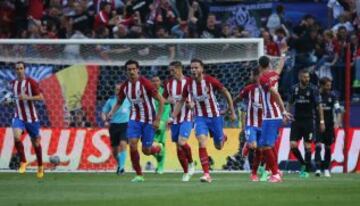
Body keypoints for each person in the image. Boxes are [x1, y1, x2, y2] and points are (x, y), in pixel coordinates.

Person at [173, 58, 236, 183]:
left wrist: (231, 110)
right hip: (199, 117)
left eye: (196, 67)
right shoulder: (189, 84)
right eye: (192, 68)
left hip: (215, 116)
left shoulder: (210, 81)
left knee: (218, 146)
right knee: (202, 141)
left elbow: (225, 92)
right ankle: (206, 174)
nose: (194, 70)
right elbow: (181, 101)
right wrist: (173, 116)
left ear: (202, 69)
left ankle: (222, 137)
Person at [107, 60, 165, 182]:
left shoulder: (146, 84)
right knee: (133, 144)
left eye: (134, 69)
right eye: (129, 69)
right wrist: (112, 112)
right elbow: (119, 102)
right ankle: (139, 175)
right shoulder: (125, 86)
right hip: (135, 119)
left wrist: (157, 119)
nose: (132, 71)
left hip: (149, 119)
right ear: (126, 71)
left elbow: (161, 101)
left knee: (146, 150)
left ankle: (158, 148)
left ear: (138, 70)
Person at [257, 56, 292, 183]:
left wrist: (284, 111)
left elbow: (275, 93)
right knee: (268, 145)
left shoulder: (263, 78)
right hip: (273, 115)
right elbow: (279, 69)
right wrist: (282, 57)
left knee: (266, 146)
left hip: (271, 115)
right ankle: (275, 171)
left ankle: (275, 174)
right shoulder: (274, 75)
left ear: (259, 65)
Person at [8, 62, 44, 178]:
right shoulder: (12, 83)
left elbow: (40, 97)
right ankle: (23, 161)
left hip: (32, 119)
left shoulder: (31, 82)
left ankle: (40, 166)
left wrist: (27, 97)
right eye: (17, 68)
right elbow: (13, 98)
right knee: (17, 137)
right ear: (15, 70)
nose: (19, 70)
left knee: (36, 143)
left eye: (21, 68)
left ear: (25, 69)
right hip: (18, 117)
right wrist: (9, 101)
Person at [288, 69, 324, 178]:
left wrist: (321, 121)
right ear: (300, 77)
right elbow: (289, 103)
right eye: (304, 77)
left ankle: (305, 170)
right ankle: (303, 163)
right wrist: (286, 114)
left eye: (308, 77)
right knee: (293, 145)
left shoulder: (313, 89)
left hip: (308, 121)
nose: (307, 79)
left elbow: (319, 106)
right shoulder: (294, 89)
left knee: (308, 146)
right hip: (296, 121)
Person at [163, 61, 195, 182]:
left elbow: (197, 97)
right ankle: (186, 172)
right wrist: (167, 100)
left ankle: (191, 163)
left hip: (187, 117)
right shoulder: (168, 84)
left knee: (182, 142)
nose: (171, 73)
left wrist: (193, 104)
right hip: (174, 119)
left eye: (173, 70)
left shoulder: (190, 82)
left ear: (180, 69)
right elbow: (163, 99)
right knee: (178, 146)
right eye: (170, 71)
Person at [233, 67, 266, 182]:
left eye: (251, 75)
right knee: (253, 146)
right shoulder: (249, 89)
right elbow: (238, 98)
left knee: (261, 150)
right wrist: (229, 108)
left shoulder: (268, 89)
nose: (250, 77)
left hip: (264, 124)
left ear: (257, 76)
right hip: (251, 123)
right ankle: (254, 172)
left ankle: (258, 171)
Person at [315, 77, 342, 177]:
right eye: (327, 85)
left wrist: (337, 122)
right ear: (322, 85)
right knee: (318, 146)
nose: (329, 87)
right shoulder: (317, 95)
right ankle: (317, 169)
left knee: (328, 147)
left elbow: (338, 110)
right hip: (318, 123)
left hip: (329, 124)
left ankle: (326, 168)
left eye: (330, 85)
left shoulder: (333, 95)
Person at [101, 83, 131, 175]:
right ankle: (119, 164)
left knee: (123, 144)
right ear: (114, 90)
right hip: (114, 126)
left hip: (125, 125)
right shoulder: (110, 100)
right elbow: (103, 112)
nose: (118, 91)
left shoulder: (129, 100)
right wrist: (105, 121)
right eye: (117, 89)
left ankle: (121, 168)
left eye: (120, 89)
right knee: (115, 150)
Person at [150, 75, 171, 174]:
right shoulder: (149, 93)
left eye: (157, 80)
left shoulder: (165, 92)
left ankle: (160, 167)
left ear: (160, 82)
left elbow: (168, 105)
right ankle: (160, 155)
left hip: (162, 121)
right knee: (150, 146)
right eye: (153, 81)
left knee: (155, 143)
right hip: (150, 121)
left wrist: (166, 120)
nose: (155, 82)